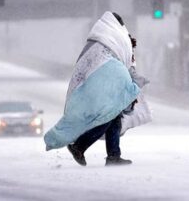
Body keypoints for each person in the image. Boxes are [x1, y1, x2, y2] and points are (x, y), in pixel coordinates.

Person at [44, 11, 140, 166]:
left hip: (94, 81)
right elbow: (126, 55)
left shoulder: (97, 39)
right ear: (117, 24)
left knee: (113, 116)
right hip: (103, 79)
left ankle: (113, 155)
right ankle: (80, 146)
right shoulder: (115, 35)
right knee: (108, 115)